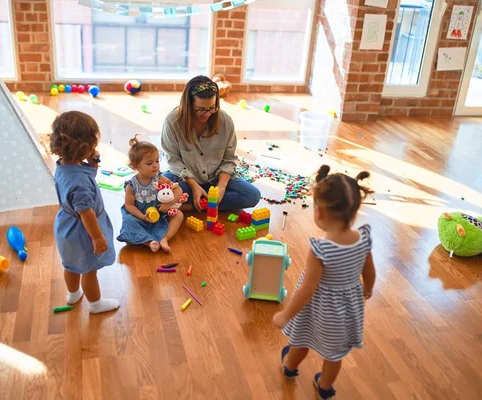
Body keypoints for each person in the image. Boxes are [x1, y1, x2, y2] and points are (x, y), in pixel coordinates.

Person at [272, 166, 376, 399]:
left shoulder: (321, 250)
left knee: (301, 342)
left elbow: (308, 289)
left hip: (317, 311)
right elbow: (369, 272)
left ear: (318, 213)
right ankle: (325, 387)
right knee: (334, 355)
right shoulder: (364, 239)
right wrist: (367, 291)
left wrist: (285, 315)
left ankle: (290, 368)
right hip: (346, 311)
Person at [51, 111, 119, 314]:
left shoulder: (64, 165)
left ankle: (73, 294)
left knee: (71, 265)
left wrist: (92, 167)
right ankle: (95, 304)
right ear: (83, 147)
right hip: (84, 231)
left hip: (66, 227)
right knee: (90, 269)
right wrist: (97, 237)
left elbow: (79, 184)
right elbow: (86, 212)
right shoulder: (79, 182)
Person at [161, 75, 260, 212]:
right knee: (159, 195)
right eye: (200, 109)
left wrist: (221, 186)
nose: (207, 114)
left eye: (212, 108)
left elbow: (229, 159)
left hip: (216, 178)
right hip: (186, 180)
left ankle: (191, 205)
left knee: (252, 196)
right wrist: (195, 186)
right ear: (188, 105)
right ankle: (204, 203)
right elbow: (174, 161)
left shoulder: (225, 121)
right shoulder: (173, 122)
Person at [117, 135, 184, 253]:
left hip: (159, 214)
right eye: (149, 163)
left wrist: (169, 205)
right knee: (128, 224)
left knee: (178, 215)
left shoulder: (159, 178)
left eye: (157, 161)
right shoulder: (131, 185)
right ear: (136, 166)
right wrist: (142, 217)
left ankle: (164, 238)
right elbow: (129, 206)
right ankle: (148, 242)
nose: (155, 165)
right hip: (139, 217)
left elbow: (178, 190)